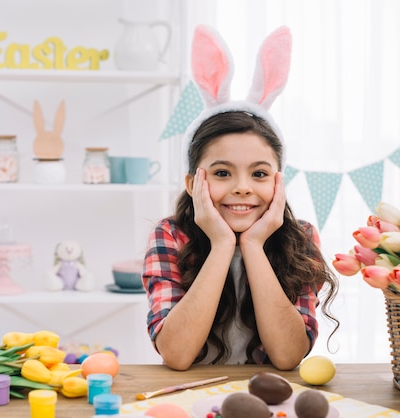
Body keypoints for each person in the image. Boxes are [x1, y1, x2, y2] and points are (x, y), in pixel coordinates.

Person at [142, 25, 339, 371]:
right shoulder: (170, 235)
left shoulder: (300, 237)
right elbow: (176, 354)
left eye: (259, 174)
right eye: (222, 173)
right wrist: (220, 245)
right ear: (192, 182)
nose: (243, 188)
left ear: (279, 181)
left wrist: (253, 245)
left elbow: (288, 355)